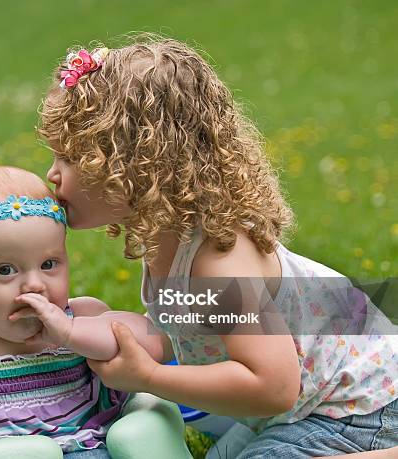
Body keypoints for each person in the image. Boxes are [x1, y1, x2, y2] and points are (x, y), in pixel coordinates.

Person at [37, 35, 398, 458]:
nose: (52, 174)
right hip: (307, 407)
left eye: (70, 158)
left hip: (364, 407)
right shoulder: (167, 239)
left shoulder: (217, 258)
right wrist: (76, 327)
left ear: (138, 162)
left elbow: (272, 386)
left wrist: (149, 377)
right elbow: (166, 334)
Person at [0, 165, 189, 459]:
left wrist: (72, 334)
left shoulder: (81, 316)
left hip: (88, 446)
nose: (35, 284)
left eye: (49, 264)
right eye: (5, 270)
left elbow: (154, 343)